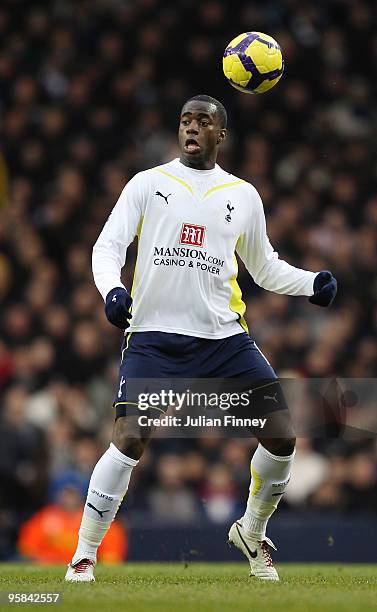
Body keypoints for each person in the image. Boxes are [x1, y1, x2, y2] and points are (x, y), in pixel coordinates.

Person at [65, 94, 337, 582]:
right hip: (154, 338)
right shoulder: (149, 184)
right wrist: (112, 290)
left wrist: (311, 282)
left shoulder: (242, 194)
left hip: (223, 339)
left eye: (203, 121)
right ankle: (84, 554)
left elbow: (264, 266)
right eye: (186, 120)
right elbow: (108, 246)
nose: (192, 128)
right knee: (129, 438)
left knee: (282, 435)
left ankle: (251, 531)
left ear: (220, 135)